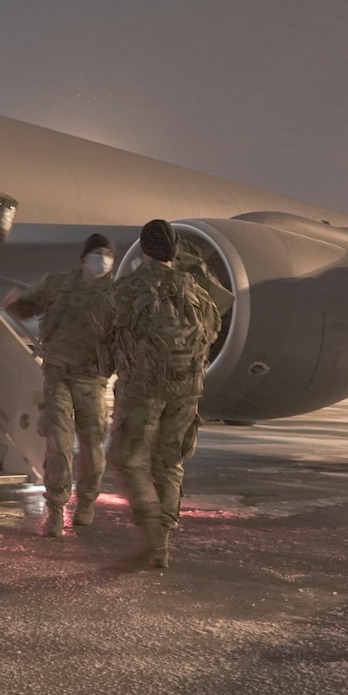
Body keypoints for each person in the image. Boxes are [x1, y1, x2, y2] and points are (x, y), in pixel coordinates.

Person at [92, 219, 223, 569]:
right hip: (186, 391)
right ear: (175, 249)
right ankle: (163, 543)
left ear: (145, 250)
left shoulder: (128, 288)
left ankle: (150, 535)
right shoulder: (198, 290)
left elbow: (100, 326)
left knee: (129, 459)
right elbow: (213, 330)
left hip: (142, 390)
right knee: (169, 463)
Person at [4, 233, 116, 537]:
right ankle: (55, 510)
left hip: (93, 379)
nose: (103, 259)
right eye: (98, 253)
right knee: (59, 444)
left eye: (108, 254)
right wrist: (14, 304)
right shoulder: (56, 283)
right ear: (84, 256)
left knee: (93, 448)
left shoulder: (118, 294)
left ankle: (87, 502)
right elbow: (28, 307)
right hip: (58, 375)